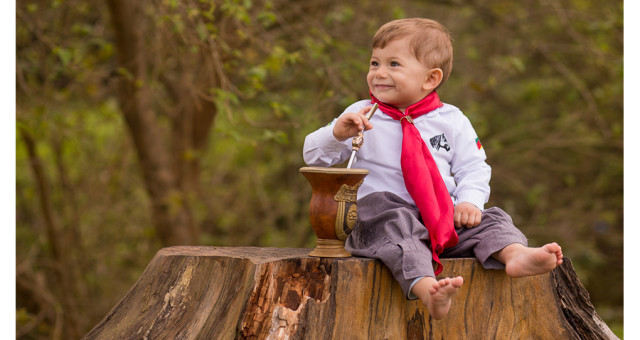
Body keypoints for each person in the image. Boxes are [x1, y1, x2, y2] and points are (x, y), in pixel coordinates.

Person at [302, 18, 563, 320]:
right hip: (382, 222)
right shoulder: (360, 115)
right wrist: (337, 132)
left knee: (493, 219)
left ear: (430, 79)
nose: (378, 73)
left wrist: (469, 202)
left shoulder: (451, 120)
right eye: (375, 63)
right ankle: (428, 289)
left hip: (439, 218)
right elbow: (312, 156)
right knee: (393, 217)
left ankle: (515, 255)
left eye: (394, 64)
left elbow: (474, 167)